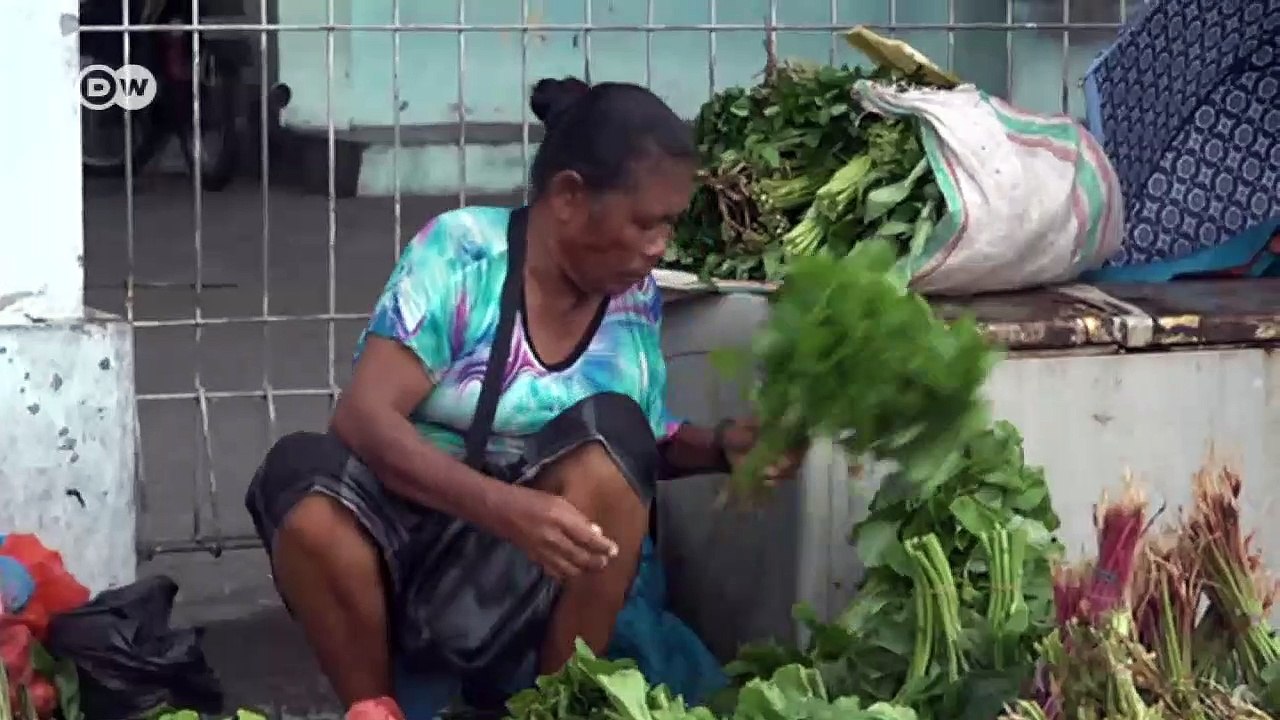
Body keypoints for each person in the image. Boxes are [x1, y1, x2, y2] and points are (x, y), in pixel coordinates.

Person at [245, 76, 798, 720]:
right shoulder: (463, 253)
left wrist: (725, 448)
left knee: (614, 433)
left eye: (669, 226)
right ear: (568, 196)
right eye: (645, 223)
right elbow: (363, 418)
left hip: (542, 575)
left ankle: (557, 703)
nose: (658, 248)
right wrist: (507, 509)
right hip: (426, 544)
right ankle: (377, 709)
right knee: (301, 485)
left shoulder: (632, 295)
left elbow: (638, 450)